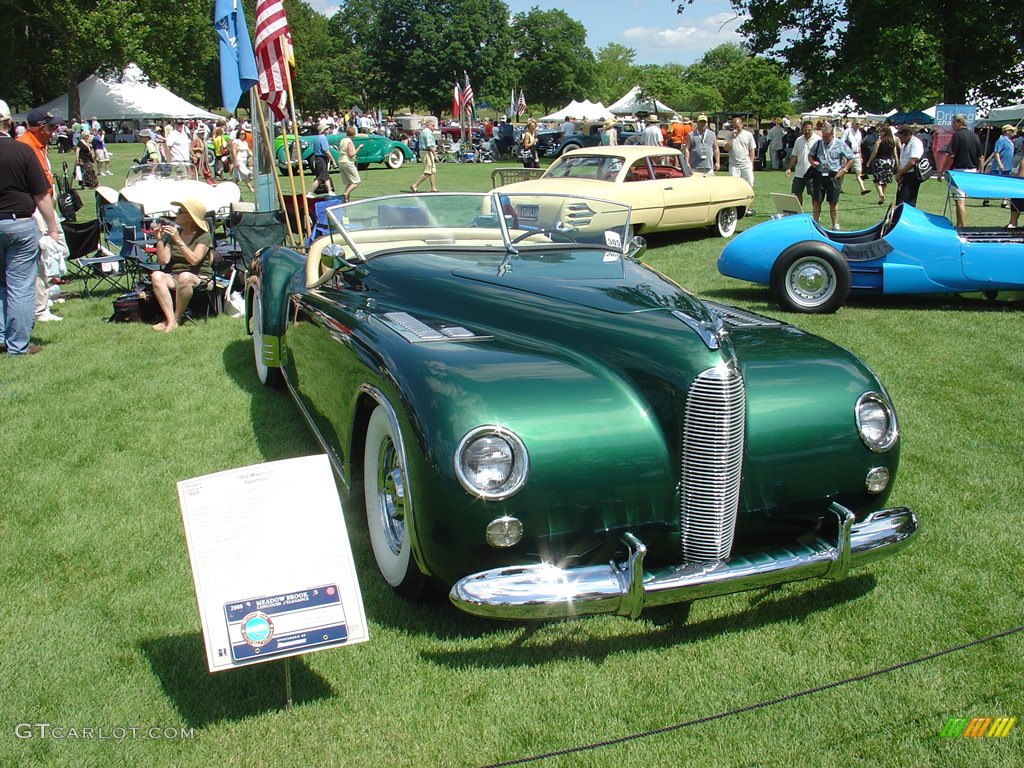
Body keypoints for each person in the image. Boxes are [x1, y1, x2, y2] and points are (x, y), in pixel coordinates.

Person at [0, 99, 61, 355]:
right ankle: (17, 346)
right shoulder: (22, 151)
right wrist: (52, 227)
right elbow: (41, 195)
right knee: (20, 286)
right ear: (9, 122)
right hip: (19, 222)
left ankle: (2, 338)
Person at [18, 107, 66, 323]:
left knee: (54, 251)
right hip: (36, 206)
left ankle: (45, 295)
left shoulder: (39, 146)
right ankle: (40, 308)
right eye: (51, 127)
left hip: (44, 204)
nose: (55, 130)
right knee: (40, 254)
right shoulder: (26, 147)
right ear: (40, 128)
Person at [149, 198, 212, 332]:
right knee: (156, 276)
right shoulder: (174, 235)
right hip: (176, 275)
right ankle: (171, 320)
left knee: (185, 277)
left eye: (180, 212)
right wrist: (159, 240)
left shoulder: (203, 236)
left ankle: (176, 319)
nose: (176, 214)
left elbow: (194, 260)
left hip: (199, 276)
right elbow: (163, 261)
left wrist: (179, 241)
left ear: (190, 217)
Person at [807, 121, 855, 229]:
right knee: (817, 200)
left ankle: (835, 225)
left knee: (833, 201)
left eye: (827, 137)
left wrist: (844, 169)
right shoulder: (818, 143)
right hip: (820, 174)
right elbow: (810, 155)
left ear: (832, 135)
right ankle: (815, 223)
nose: (824, 139)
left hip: (833, 175)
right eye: (823, 136)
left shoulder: (840, 144)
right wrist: (812, 162)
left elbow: (851, 158)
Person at [938, 113, 983, 227]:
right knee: (961, 200)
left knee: (959, 201)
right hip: (972, 171)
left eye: (953, 122)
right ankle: (959, 224)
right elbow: (981, 157)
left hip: (959, 172)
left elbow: (951, 155)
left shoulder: (957, 136)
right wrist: (980, 173)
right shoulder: (975, 136)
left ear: (960, 123)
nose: (952, 125)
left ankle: (962, 227)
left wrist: (942, 171)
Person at [785, 120, 820, 208]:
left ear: (812, 129)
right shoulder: (798, 140)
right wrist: (789, 168)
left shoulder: (818, 140)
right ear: (802, 129)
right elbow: (794, 156)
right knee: (797, 193)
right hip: (799, 172)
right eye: (805, 130)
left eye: (809, 130)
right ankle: (798, 213)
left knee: (813, 195)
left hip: (813, 173)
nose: (807, 132)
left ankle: (815, 214)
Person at [724, 117, 756, 212]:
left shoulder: (748, 135)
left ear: (742, 125)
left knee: (749, 184)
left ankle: (748, 207)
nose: (736, 128)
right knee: (734, 186)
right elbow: (726, 148)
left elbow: (752, 149)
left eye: (738, 126)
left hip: (746, 164)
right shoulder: (729, 135)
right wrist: (732, 138)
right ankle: (736, 207)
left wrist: (751, 162)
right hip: (734, 164)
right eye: (734, 127)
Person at [866, 126, 898, 206]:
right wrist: (897, 163)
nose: (879, 133)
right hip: (889, 161)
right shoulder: (892, 142)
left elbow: (874, 152)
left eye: (881, 131)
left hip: (880, 161)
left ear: (885, 132)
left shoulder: (879, 141)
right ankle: (881, 197)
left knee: (877, 180)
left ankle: (881, 194)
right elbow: (895, 154)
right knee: (885, 181)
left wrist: (869, 162)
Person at [894, 125, 924, 208]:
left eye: (901, 136)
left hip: (911, 175)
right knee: (900, 200)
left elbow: (912, 161)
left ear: (908, 134)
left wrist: (899, 173)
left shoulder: (915, 143)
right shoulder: (904, 144)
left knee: (907, 201)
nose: (899, 138)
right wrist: (900, 173)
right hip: (904, 174)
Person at [840, 118, 870, 194]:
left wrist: (860, 156)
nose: (858, 126)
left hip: (856, 154)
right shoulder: (847, 131)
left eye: (860, 124)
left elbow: (859, 145)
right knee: (843, 171)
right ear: (853, 124)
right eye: (857, 124)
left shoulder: (859, 133)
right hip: (847, 154)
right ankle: (838, 187)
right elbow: (842, 143)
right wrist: (843, 155)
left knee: (858, 171)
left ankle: (863, 188)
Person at [410, 118, 438, 193]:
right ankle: (415, 185)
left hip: (426, 152)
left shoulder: (424, 132)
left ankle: (433, 187)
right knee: (428, 171)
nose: (434, 127)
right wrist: (435, 154)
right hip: (426, 152)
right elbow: (429, 145)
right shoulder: (427, 133)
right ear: (428, 126)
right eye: (433, 125)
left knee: (432, 171)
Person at [311, 121, 336, 195]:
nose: (328, 130)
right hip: (321, 159)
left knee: (325, 176)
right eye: (327, 129)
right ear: (324, 130)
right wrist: (333, 160)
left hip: (317, 159)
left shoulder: (317, 138)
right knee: (320, 177)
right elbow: (326, 151)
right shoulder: (323, 138)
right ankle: (310, 192)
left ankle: (329, 191)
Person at [338, 125, 361, 201]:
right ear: (353, 134)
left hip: (341, 161)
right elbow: (351, 154)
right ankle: (345, 194)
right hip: (347, 162)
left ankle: (346, 200)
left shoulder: (342, 140)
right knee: (356, 181)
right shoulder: (349, 142)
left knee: (348, 182)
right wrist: (359, 148)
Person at [231, 128, 254, 193]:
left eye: (244, 134)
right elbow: (234, 151)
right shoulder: (236, 141)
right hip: (239, 160)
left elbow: (248, 151)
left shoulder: (245, 142)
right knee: (246, 174)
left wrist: (253, 156)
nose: (243, 135)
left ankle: (233, 186)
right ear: (238, 134)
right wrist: (236, 161)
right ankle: (250, 188)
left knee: (237, 177)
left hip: (244, 161)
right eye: (241, 134)